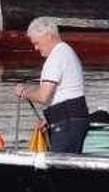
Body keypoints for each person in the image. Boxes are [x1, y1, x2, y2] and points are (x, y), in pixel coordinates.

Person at [13, 17, 88, 153]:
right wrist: (51, 119)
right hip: (70, 119)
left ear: (48, 36)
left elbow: (44, 96)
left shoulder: (57, 56)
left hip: (67, 123)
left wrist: (24, 92)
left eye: (37, 43)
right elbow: (64, 92)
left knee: (59, 168)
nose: (36, 48)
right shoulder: (66, 52)